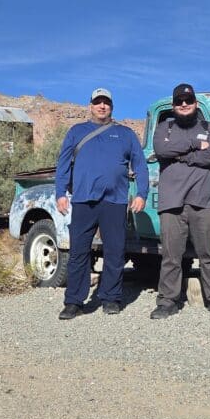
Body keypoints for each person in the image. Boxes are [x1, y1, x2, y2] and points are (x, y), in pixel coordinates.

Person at [54, 88, 148, 320]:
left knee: (115, 252)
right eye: (98, 102)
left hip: (115, 201)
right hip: (84, 200)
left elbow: (140, 164)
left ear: (112, 107)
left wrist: (141, 194)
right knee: (78, 252)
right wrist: (60, 193)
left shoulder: (125, 134)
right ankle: (74, 301)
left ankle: (111, 298)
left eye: (106, 102)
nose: (102, 106)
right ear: (91, 106)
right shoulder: (77, 131)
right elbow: (63, 163)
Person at [150, 83, 210, 319]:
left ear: (196, 104)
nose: (184, 104)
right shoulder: (164, 129)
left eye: (188, 100)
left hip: (204, 200)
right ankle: (167, 301)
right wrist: (195, 145)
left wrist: (179, 155)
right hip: (172, 202)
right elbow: (161, 150)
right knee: (171, 256)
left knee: (208, 254)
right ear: (174, 106)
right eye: (179, 101)